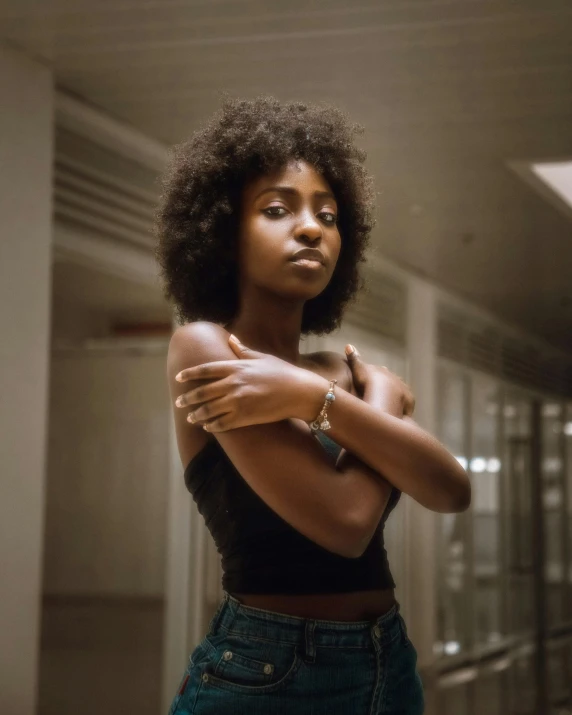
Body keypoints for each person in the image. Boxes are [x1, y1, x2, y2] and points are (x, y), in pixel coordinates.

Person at [155, 96, 471, 715]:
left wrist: (312, 394)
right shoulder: (205, 345)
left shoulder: (333, 375)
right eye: (277, 209)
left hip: (390, 664)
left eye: (328, 216)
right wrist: (374, 400)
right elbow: (347, 525)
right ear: (222, 230)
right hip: (268, 675)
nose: (311, 228)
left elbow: (452, 490)